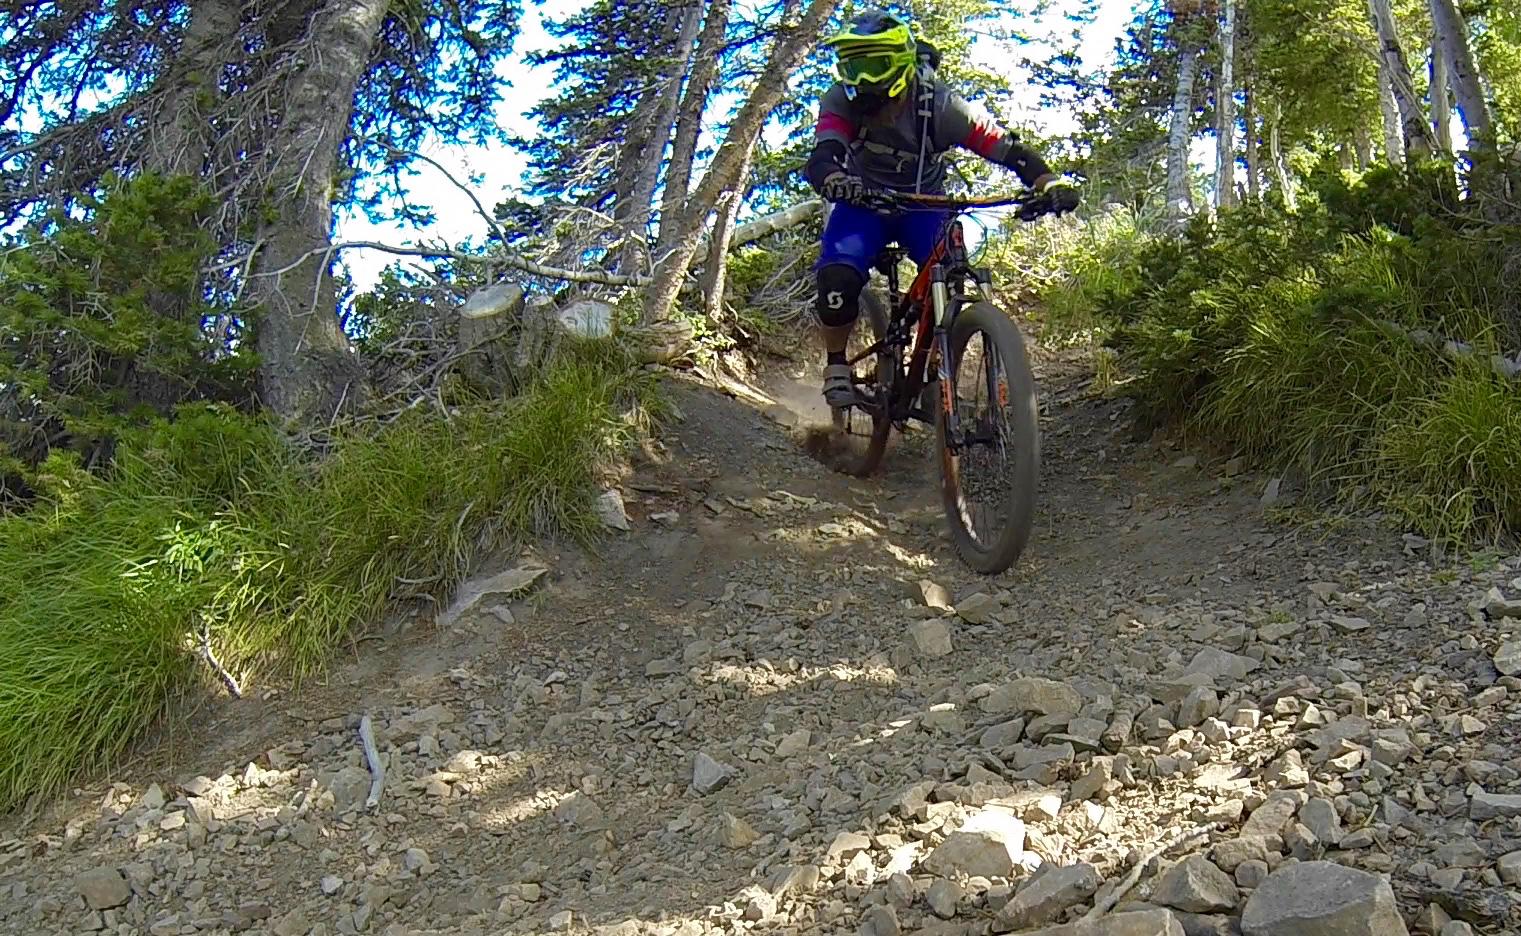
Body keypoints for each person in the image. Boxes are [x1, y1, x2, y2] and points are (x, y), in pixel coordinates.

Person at [803, 10, 1080, 407]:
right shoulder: (839, 100)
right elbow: (824, 154)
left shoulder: (942, 106)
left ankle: (934, 370)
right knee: (837, 280)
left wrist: (1049, 183)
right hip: (863, 203)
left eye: (874, 65)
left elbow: (1008, 150)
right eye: (853, 66)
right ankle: (836, 365)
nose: (861, 79)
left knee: (950, 275)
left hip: (923, 205)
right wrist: (834, 179)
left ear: (900, 64)